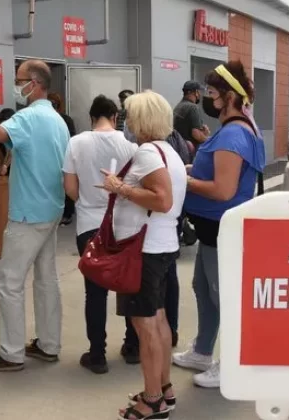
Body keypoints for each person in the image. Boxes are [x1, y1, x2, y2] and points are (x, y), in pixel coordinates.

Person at [0, 60, 69, 373]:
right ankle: (49, 344)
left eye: (19, 80)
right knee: (47, 279)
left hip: (28, 213)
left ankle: (10, 352)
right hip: (51, 210)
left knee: (10, 282)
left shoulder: (29, 117)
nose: (15, 85)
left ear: (34, 83)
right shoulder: (56, 120)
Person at [173, 61, 265, 389]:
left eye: (212, 94)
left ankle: (231, 363)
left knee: (222, 295)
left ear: (228, 96)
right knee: (203, 288)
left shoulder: (234, 134)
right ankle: (202, 350)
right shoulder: (236, 130)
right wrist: (191, 170)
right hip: (213, 228)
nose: (208, 100)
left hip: (223, 226)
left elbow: (223, 189)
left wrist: (184, 179)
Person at [97, 91, 186, 420]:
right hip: (159, 248)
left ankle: (151, 401)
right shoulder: (168, 151)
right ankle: (162, 388)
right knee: (158, 321)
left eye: (130, 115)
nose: (127, 121)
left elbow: (161, 200)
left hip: (143, 251)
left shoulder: (148, 152)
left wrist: (120, 188)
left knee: (146, 326)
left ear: (142, 119)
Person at [63, 95, 138, 374]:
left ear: (91, 118)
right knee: (127, 286)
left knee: (94, 293)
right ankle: (132, 346)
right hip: (122, 225)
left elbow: (70, 188)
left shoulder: (76, 142)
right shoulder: (130, 146)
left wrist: (86, 198)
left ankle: (97, 355)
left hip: (89, 226)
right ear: (115, 117)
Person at [48, 93, 78, 226]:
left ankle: (67, 214)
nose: (52, 105)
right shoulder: (46, 119)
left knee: (67, 184)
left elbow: (71, 138)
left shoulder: (65, 119)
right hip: (49, 158)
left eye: (54, 103)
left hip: (65, 156)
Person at [173, 81, 210, 149]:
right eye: (199, 91)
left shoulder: (179, 106)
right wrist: (208, 139)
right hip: (190, 152)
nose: (199, 94)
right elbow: (196, 134)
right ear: (195, 92)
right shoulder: (193, 107)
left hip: (179, 150)